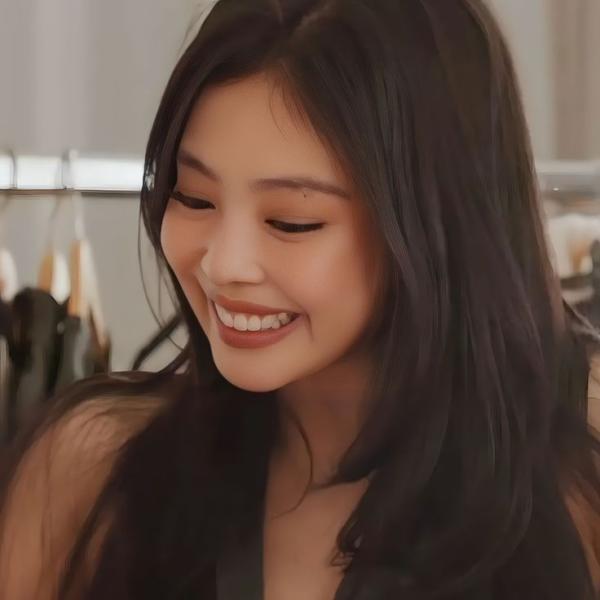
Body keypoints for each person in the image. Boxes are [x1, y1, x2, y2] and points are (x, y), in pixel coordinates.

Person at [1, 0, 599, 598]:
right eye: (194, 198)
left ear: (437, 225)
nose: (222, 264)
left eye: (291, 221)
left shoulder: (577, 476)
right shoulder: (90, 474)